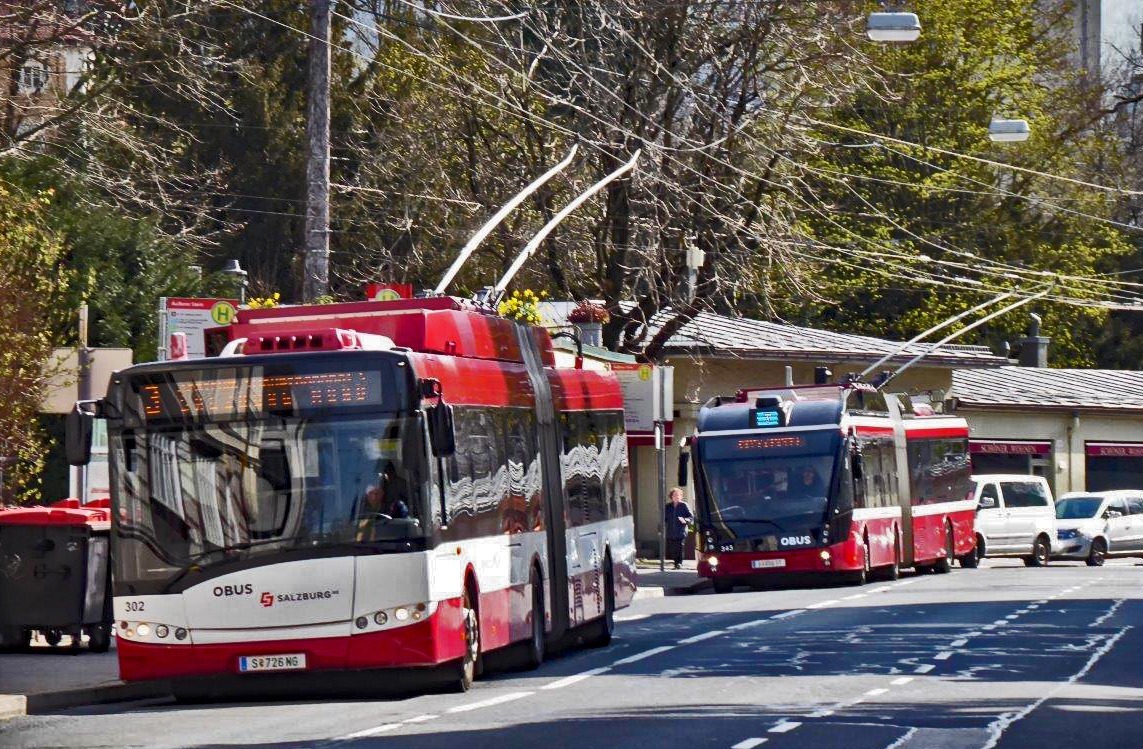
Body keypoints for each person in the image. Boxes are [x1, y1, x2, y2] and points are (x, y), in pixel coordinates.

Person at [664, 487, 694, 570]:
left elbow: (691, 517)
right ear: (671, 497)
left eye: (678, 495)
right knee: (673, 548)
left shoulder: (684, 505)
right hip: (671, 531)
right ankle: (675, 562)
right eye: (674, 495)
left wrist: (685, 520)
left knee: (680, 546)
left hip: (681, 530)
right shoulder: (668, 506)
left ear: (681, 496)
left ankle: (679, 563)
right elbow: (664, 518)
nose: (676, 497)